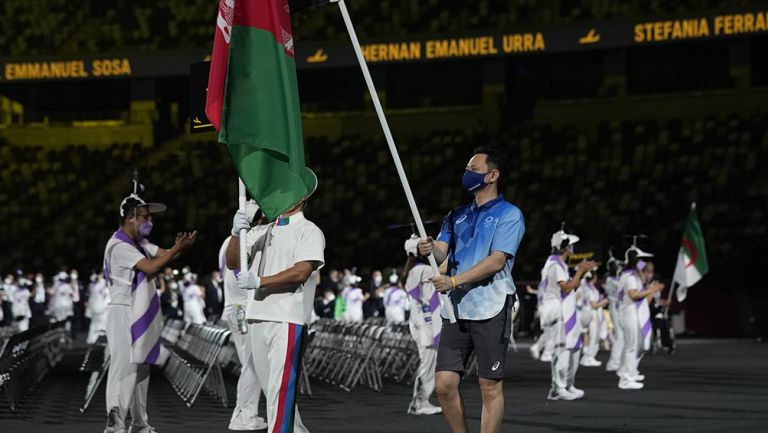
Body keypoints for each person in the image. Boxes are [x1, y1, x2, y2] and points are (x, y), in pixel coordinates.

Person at [418, 147, 524, 433]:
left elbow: (496, 260)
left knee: (488, 386)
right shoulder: (456, 215)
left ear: (493, 175)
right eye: (466, 168)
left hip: (491, 305)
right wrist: (428, 248)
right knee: (444, 384)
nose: (467, 173)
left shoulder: (509, 214)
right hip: (457, 308)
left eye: (473, 168)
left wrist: (454, 281)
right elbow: (440, 253)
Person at [227, 167, 324, 433]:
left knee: (280, 391)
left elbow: (300, 272)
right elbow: (232, 261)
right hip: (258, 316)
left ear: (302, 198)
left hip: (286, 319)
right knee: (273, 392)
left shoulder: (309, 230)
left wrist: (260, 282)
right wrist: (236, 234)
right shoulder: (262, 231)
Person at [102, 192, 196, 433]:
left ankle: (139, 422)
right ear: (130, 218)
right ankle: (115, 424)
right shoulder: (120, 246)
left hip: (137, 309)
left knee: (141, 367)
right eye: (144, 217)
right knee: (124, 367)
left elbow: (163, 255)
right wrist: (176, 249)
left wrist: (179, 248)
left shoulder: (138, 244)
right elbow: (153, 266)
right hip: (122, 310)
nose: (149, 222)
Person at [218, 200, 268, 431]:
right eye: (261, 221)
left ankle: (245, 413)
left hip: (235, 308)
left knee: (251, 363)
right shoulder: (241, 242)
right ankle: (243, 416)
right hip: (241, 309)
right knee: (252, 364)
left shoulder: (229, 242)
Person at [538, 229, 596, 400]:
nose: (572, 248)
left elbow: (571, 287)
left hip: (567, 310)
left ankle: (568, 384)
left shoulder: (560, 264)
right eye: (570, 245)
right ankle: (558, 388)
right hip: (558, 311)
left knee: (574, 348)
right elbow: (567, 288)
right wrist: (580, 271)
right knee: (562, 349)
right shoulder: (555, 265)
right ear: (564, 247)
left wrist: (581, 272)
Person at [403, 236, 443, 415]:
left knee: (428, 363)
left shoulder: (414, 270)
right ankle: (420, 402)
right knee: (427, 364)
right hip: (425, 324)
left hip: (421, 323)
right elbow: (446, 270)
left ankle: (420, 401)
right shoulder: (424, 270)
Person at [616, 247, 663, 390]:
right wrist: (651, 290)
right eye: (640, 260)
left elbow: (643, 274)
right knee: (632, 347)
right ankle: (626, 379)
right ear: (635, 262)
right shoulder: (630, 277)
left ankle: (629, 373)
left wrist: (641, 267)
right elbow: (633, 295)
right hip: (629, 313)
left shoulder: (632, 274)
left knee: (635, 346)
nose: (643, 263)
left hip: (631, 313)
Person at [578, 269, 608, 367]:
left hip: (588, 312)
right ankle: (589, 357)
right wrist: (604, 302)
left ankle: (588, 357)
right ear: (594, 278)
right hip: (592, 313)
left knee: (593, 336)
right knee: (594, 336)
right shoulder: (590, 289)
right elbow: (594, 305)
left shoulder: (586, 287)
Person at [604, 259, 624, 372]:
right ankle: (613, 363)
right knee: (619, 335)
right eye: (618, 266)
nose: (620, 268)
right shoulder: (610, 280)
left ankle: (618, 361)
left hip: (620, 308)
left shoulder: (617, 279)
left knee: (622, 336)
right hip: (614, 308)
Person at [85, 272, 110, 344]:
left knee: (94, 325)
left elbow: (91, 300)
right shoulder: (105, 287)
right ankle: (100, 342)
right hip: (102, 309)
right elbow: (107, 299)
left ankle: (91, 339)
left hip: (95, 309)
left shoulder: (95, 286)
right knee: (102, 325)